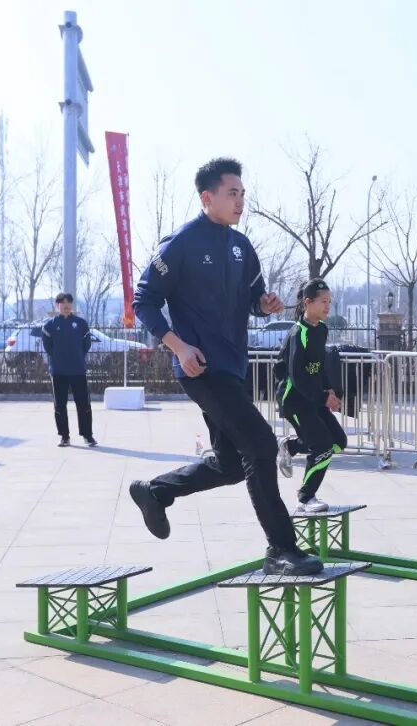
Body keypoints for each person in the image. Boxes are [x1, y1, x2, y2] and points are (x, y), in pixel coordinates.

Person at [130, 157, 323, 576]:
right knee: (261, 445)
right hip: (200, 369)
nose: (240, 201)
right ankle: (281, 549)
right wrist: (178, 347)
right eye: (232, 193)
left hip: (233, 368)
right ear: (208, 197)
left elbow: (254, 299)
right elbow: (143, 300)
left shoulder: (241, 247)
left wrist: (264, 305)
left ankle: (155, 492)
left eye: (242, 194)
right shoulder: (181, 243)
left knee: (233, 464)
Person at [275, 279, 346, 513]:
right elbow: (297, 376)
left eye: (330, 302)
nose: (328, 306)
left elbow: (319, 367)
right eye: (323, 301)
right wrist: (323, 398)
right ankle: (305, 498)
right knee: (322, 446)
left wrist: (329, 390)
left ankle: (290, 446)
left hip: (313, 398)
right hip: (294, 400)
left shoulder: (321, 330)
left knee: (338, 442)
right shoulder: (299, 334)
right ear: (308, 302)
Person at [41, 292, 97, 448]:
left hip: (78, 370)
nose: (66, 306)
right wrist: (58, 356)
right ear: (57, 305)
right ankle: (64, 436)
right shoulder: (50, 326)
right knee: (60, 405)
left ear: (72, 305)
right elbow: (48, 346)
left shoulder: (81, 323)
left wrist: (77, 356)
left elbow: (86, 344)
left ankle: (87, 435)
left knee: (84, 404)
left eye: (68, 303)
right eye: (62, 303)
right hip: (59, 371)